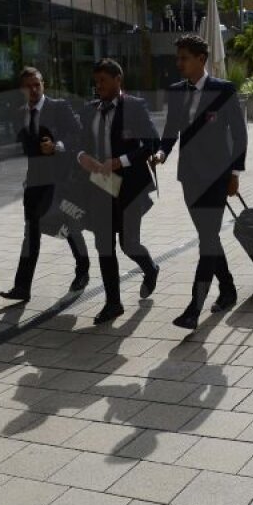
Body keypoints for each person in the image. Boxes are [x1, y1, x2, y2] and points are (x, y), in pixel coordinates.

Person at [154, 33, 248, 330]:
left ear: (201, 60)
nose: (179, 63)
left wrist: (235, 174)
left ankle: (194, 308)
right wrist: (161, 152)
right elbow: (171, 130)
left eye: (184, 58)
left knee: (207, 239)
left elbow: (240, 134)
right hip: (190, 177)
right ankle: (229, 288)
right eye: (178, 58)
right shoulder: (176, 91)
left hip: (218, 177)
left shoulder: (223, 90)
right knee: (209, 236)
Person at [76, 58, 160, 325]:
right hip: (100, 186)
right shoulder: (89, 110)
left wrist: (119, 161)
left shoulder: (134, 106)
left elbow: (150, 143)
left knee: (128, 244)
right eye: (95, 81)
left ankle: (150, 267)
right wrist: (81, 157)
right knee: (104, 246)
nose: (97, 85)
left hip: (129, 187)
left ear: (117, 80)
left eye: (103, 80)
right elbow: (80, 144)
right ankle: (113, 303)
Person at [0, 66, 90, 304]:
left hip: (61, 182)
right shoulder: (20, 114)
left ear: (43, 85)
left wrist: (58, 145)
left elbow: (79, 134)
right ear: (22, 89)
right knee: (30, 233)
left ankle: (83, 270)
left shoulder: (59, 107)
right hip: (35, 184)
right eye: (28, 86)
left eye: (36, 84)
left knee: (69, 226)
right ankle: (22, 287)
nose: (33, 89)